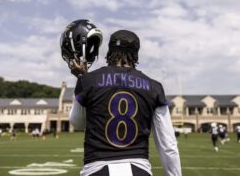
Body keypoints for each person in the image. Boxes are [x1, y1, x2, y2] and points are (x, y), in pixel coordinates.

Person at [61, 19, 181, 176]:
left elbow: (78, 123)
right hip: (139, 169)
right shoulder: (154, 87)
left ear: (109, 52)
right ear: (136, 54)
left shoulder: (88, 81)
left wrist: (81, 80)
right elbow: (168, 145)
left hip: (97, 169)